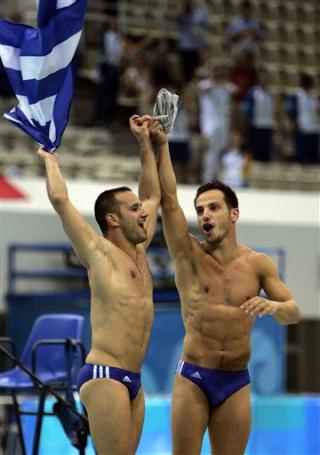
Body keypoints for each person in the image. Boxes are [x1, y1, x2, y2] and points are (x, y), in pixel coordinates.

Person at [153, 126, 301, 454]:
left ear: (233, 214)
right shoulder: (187, 255)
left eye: (213, 208)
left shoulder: (257, 264)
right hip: (193, 376)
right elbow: (168, 202)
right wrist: (162, 146)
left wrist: (275, 308)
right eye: (201, 209)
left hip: (235, 381)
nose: (205, 214)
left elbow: (294, 311)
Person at [37, 115, 161, 454]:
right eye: (134, 209)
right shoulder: (99, 253)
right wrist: (50, 160)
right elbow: (61, 201)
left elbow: (153, 193)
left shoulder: (140, 251)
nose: (144, 213)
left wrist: (145, 144)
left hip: (133, 380)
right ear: (113, 219)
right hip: (106, 374)